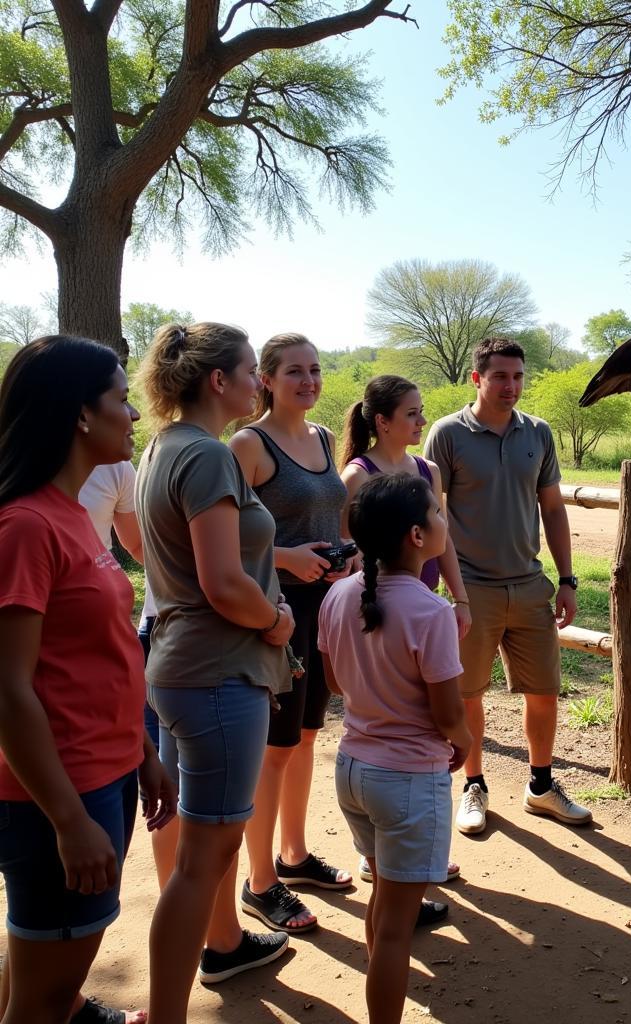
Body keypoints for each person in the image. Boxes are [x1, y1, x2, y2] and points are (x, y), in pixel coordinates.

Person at [0, 336, 175, 1024]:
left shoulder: (74, 512)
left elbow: (96, 660)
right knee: (42, 1000)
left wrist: (144, 754)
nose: (132, 415)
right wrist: (68, 820)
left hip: (105, 773)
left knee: (40, 975)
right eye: (120, 399)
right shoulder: (24, 526)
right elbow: (9, 689)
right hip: (58, 795)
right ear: (79, 415)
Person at [136, 322, 295, 1024]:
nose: (261, 381)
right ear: (218, 382)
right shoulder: (206, 456)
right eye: (252, 370)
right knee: (205, 859)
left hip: (180, 667)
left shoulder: (163, 448)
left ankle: (223, 948)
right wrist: (276, 622)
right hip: (219, 672)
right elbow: (225, 583)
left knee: (198, 851)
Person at [318, 473, 472, 1024]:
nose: (442, 520)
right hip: (406, 780)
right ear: (415, 535)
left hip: (353, 769)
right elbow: (449, 713)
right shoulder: (431, 613)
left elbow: (335, 686)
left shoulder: (338, 594)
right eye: (436, 513)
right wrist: (465, 741)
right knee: (394, 928)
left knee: (382, 905)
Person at [423, 337, 591, 834]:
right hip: (471, 587)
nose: (510, 386)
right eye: (499, 377)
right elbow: (436, 515)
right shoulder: (447, 434)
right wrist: (452, 593)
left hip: (531, 584)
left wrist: (566, 579)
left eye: (517, 376)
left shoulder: (537, 432)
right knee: (469, 693)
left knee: (544, 691)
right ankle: (474, 786)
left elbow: (553, 508)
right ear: (477, 379)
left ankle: (541, 785)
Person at [229, 333, 352, 935]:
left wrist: (344, 558)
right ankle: (259, 883)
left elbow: (333, 514)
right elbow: (223, 540)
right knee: (274, 748)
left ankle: (295, 857)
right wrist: (287, 558)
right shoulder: (248, 444)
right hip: (275, 611)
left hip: (324, 608)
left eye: (316, 369)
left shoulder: (324, 438)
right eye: (294, 371)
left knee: (305, 737)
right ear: (267, 381)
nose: (308, 381)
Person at [341, 374, 470, 894]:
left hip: (419, 601)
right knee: (409, 703)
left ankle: (402, 852)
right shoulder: (355, 476)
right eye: (413, 413)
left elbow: (446, 544)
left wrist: (459, 598)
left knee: (421, 692)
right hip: (379, 605)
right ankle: (398, 857)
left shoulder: (427, 470)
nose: (421, 420)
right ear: (382, 421)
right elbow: (349, 554)